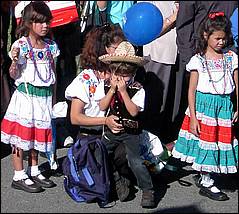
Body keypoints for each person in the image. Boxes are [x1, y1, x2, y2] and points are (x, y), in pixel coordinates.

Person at [64, 24, 135, 203]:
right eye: (116, 48)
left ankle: (119, 173)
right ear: (103, 49)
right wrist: (105, 121)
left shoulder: (122, 74)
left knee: (130, 149)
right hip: (92, 134)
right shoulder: (85, 79)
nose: (121, 52)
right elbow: (75, 117)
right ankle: (112, 176)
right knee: (101, 162)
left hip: (117, 132)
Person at [172, 12, 238, 201]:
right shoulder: (198, 61)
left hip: (224, 105)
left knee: (219, 141)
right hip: (204, 106)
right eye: (217, 38)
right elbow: (191, 91)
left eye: (224, 39)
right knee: (206, 143)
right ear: (205, 36)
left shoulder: (231, 57)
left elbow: (237, 84)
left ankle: (211, 174)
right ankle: (206, 180)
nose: (221, 42)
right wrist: (193, 117)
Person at [1, 1, 60, 193]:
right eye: (40, 22)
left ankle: (34, 169)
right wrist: (15, 62)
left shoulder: (51, 46)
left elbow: (53, 75)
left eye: (47, 22)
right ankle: (19, 174)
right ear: (28, 23)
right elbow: (13, 74)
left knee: (37, 135)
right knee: (21, 136)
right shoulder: (21, 45)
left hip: (43, 97)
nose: (45, 26)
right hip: (26, 96)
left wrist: (53, 98)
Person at [96, 41, 156, 208]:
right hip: (111, 130)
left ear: (133, 73)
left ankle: (148, 189)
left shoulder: (138, 89)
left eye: (126, 74)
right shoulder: (106, 85)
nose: (121, 78)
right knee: (100, 153)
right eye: (117, 73)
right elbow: (102, 106)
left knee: (135, 160)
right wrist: (112, 90)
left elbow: (134, 111)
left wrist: (123, 91)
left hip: (131, 131)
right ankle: (117, 180)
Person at [173, 1, 238, 143]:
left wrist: (231, 51)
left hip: (227, 53)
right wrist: (190, 58)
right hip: (199, 51)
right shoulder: (196, 61)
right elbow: (184, 23)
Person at [137, 1, 179, 144]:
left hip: (178, 52)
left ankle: (167, 146)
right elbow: (145, 29)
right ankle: (150, 148)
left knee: (173, 106)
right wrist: (173, 18)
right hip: (159, 54)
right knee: (155, 104)